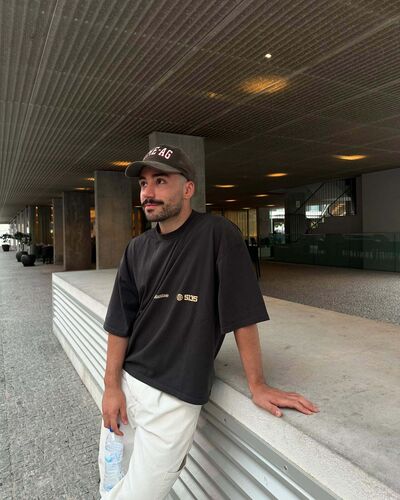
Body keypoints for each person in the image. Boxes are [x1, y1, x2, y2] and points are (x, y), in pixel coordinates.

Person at [99, 144, 319, 499]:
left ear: (188, 188)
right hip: (127, 384)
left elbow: (242, 315)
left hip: (175, 397)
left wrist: (258, 384)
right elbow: (119, 323)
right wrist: (111, 386)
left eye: (160, 181)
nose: (148, 192)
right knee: (109, 483)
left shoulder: (218, 235)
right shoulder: (136, 249)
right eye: (143, 183)